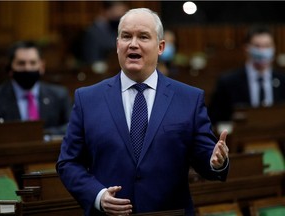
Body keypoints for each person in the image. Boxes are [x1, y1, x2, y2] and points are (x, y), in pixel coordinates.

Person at [56, 8, 229, 216]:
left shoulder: (189, 99)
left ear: (161, 46)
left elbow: (207, 158)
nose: (133, 43)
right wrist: (98, 196)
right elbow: (68, 162)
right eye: (126, 36)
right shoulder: (88, 99)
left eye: (143, 37)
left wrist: (217, 162)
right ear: (117, 44)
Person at [208, 25, 285, 126]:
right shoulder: (228, 82)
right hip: (239, 139)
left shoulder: (283, 81)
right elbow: (214, 120)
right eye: (257, 46)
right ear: (246, 49)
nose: (262, 51)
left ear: (274, 48)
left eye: (267, 46)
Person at [0, 41, 72, 135]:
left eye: (33, 63)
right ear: (10, 68)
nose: (27, 68)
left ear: (42, 67)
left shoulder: (59, 95)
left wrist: (40, 134)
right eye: (21, 63)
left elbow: (71, 126)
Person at [79, 1, 128, 73]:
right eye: (117, 12)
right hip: (99, 75)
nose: (120, 16)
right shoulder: (93, 32)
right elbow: (92, 61)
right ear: (106, 11)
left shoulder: (115, 28)